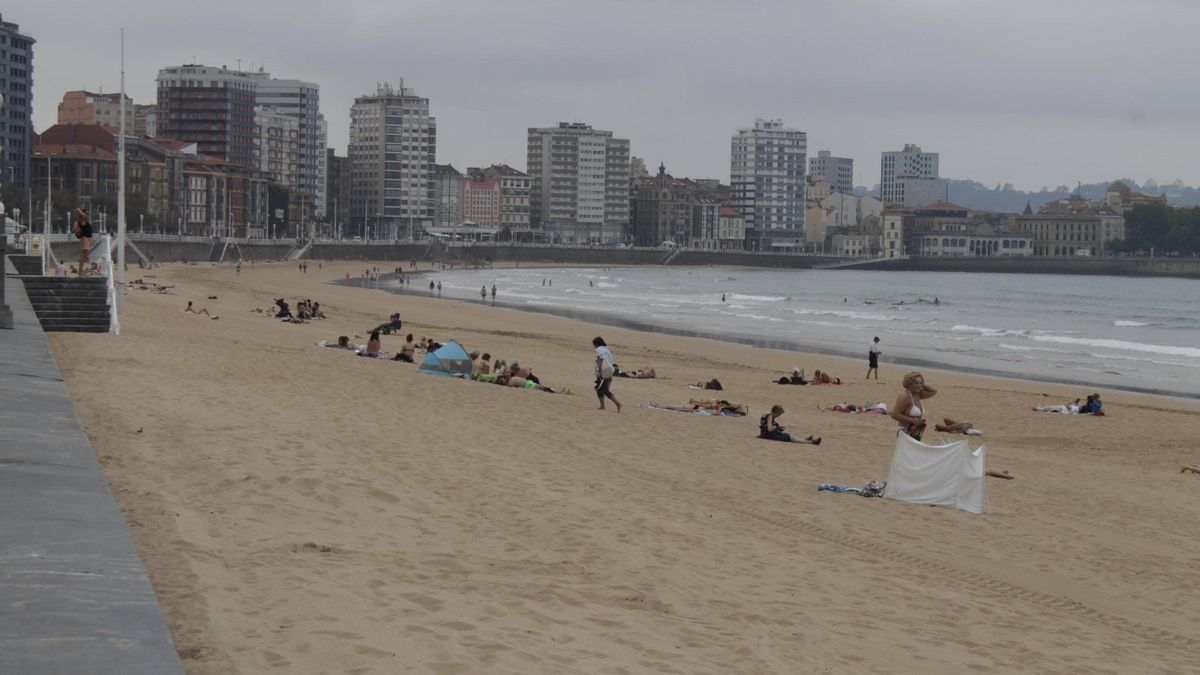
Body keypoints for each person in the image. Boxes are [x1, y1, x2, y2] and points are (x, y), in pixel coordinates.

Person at [891, 371, 937, 440]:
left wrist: (921, 384)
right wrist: (913, 420)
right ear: (909, 384)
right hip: (905, 431)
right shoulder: (906, 397)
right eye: (916, 383)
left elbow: (934, 391)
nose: (919, 385)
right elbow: (894, 414)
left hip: (917, 432)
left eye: (920, 383)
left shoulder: (917, 394)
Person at [593, 337, 622, 413]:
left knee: (604, 389)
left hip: (604, 371)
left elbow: (601, 360)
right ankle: (602, 406)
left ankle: (618, 404)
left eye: (593, 344)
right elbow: (610, 361)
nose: (593, 345)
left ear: (596, 343)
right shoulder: (606, 349)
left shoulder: (598, 349)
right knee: (599, 388)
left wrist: (599, 372)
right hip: (609, 371)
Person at [71, 207, 93, 275]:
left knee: (85, 255)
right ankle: (80, 271)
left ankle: (81, 270)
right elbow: (83, 215)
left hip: (87, 238)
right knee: (83, 255)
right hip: (85, 238)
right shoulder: (82, 220)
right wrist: (78, 210)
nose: (87, 215)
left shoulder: (84, 221)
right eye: (86, 213)